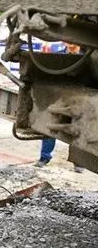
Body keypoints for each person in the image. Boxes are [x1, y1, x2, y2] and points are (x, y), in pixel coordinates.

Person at [36, 42, 84, 173]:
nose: (72, 43)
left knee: (78, 130)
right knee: (51, 127)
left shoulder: (88, 59)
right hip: (61, 100)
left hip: (78, 102)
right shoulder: (59, 57)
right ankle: (44, 158)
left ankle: (78, 162)